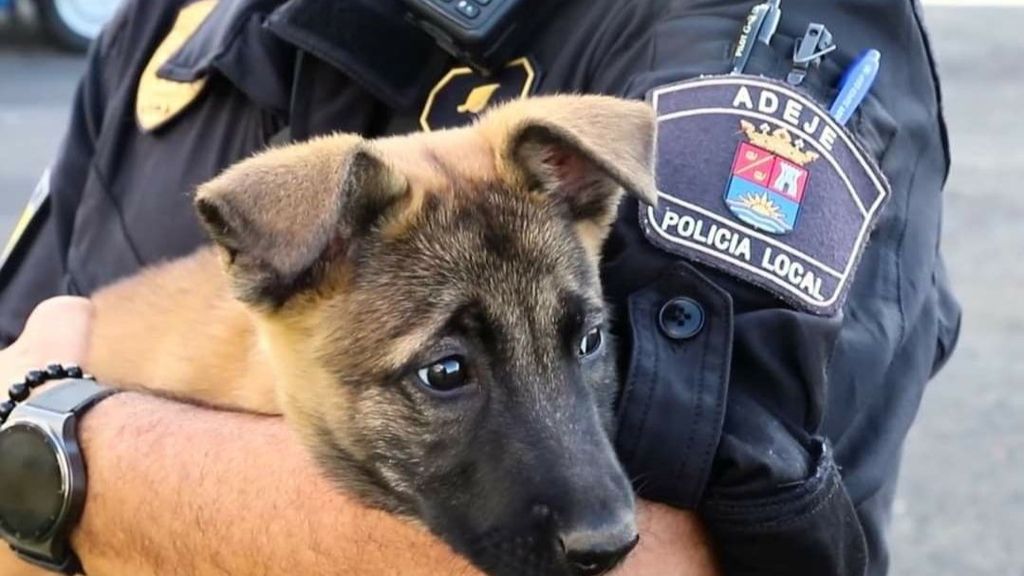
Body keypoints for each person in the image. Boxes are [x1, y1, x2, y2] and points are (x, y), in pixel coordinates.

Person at [0, 0, 960, 575]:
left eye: (583, 343)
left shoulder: (747, 33)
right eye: (448, 372)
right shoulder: (182, 27)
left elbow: (666, 559)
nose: (602, 513)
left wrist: (70, 455)